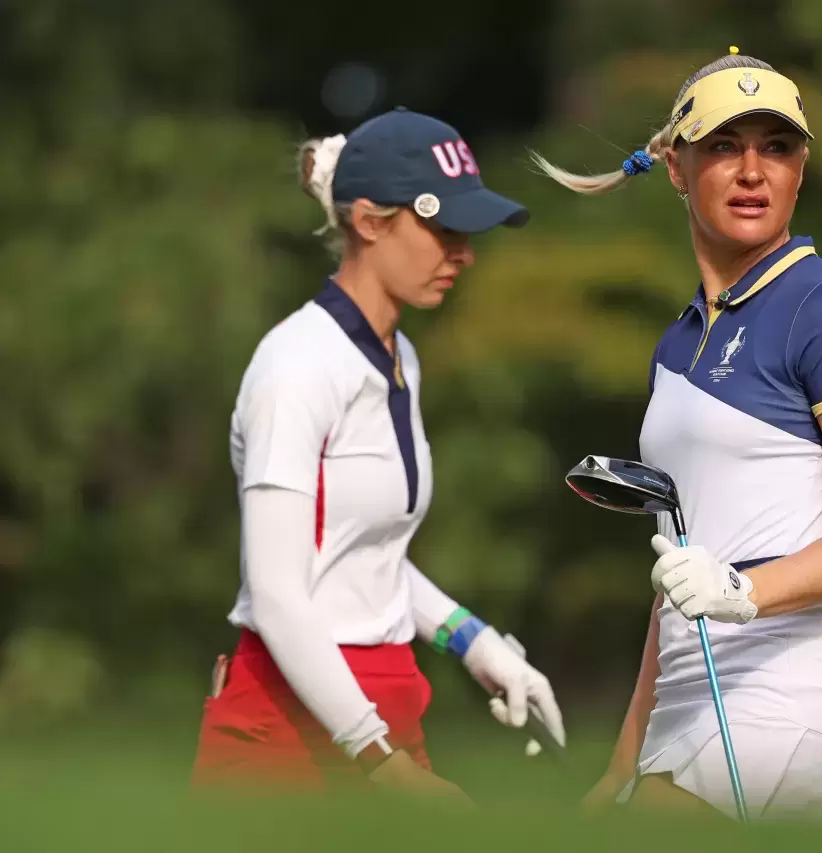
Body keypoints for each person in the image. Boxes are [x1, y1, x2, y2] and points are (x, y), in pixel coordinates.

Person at [533, 48, 822, 820]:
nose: (753, 170)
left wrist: (744, 590)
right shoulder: (678, 345)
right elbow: (678, 570)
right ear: (676, 167)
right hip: (689, 705)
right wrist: (621, 764)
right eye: (724, 146)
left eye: (777, 147)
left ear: (801, 169)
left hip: (790, 700)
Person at [191, 107, 565, 799]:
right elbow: (278, 595)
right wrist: (384, 764)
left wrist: (476, 641)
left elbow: (366, 556)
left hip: (383, 712)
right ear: (369, 221)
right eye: (444, 229)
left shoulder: (403, 358)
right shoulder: (296, 366)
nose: (464, 252)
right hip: (287, 734)